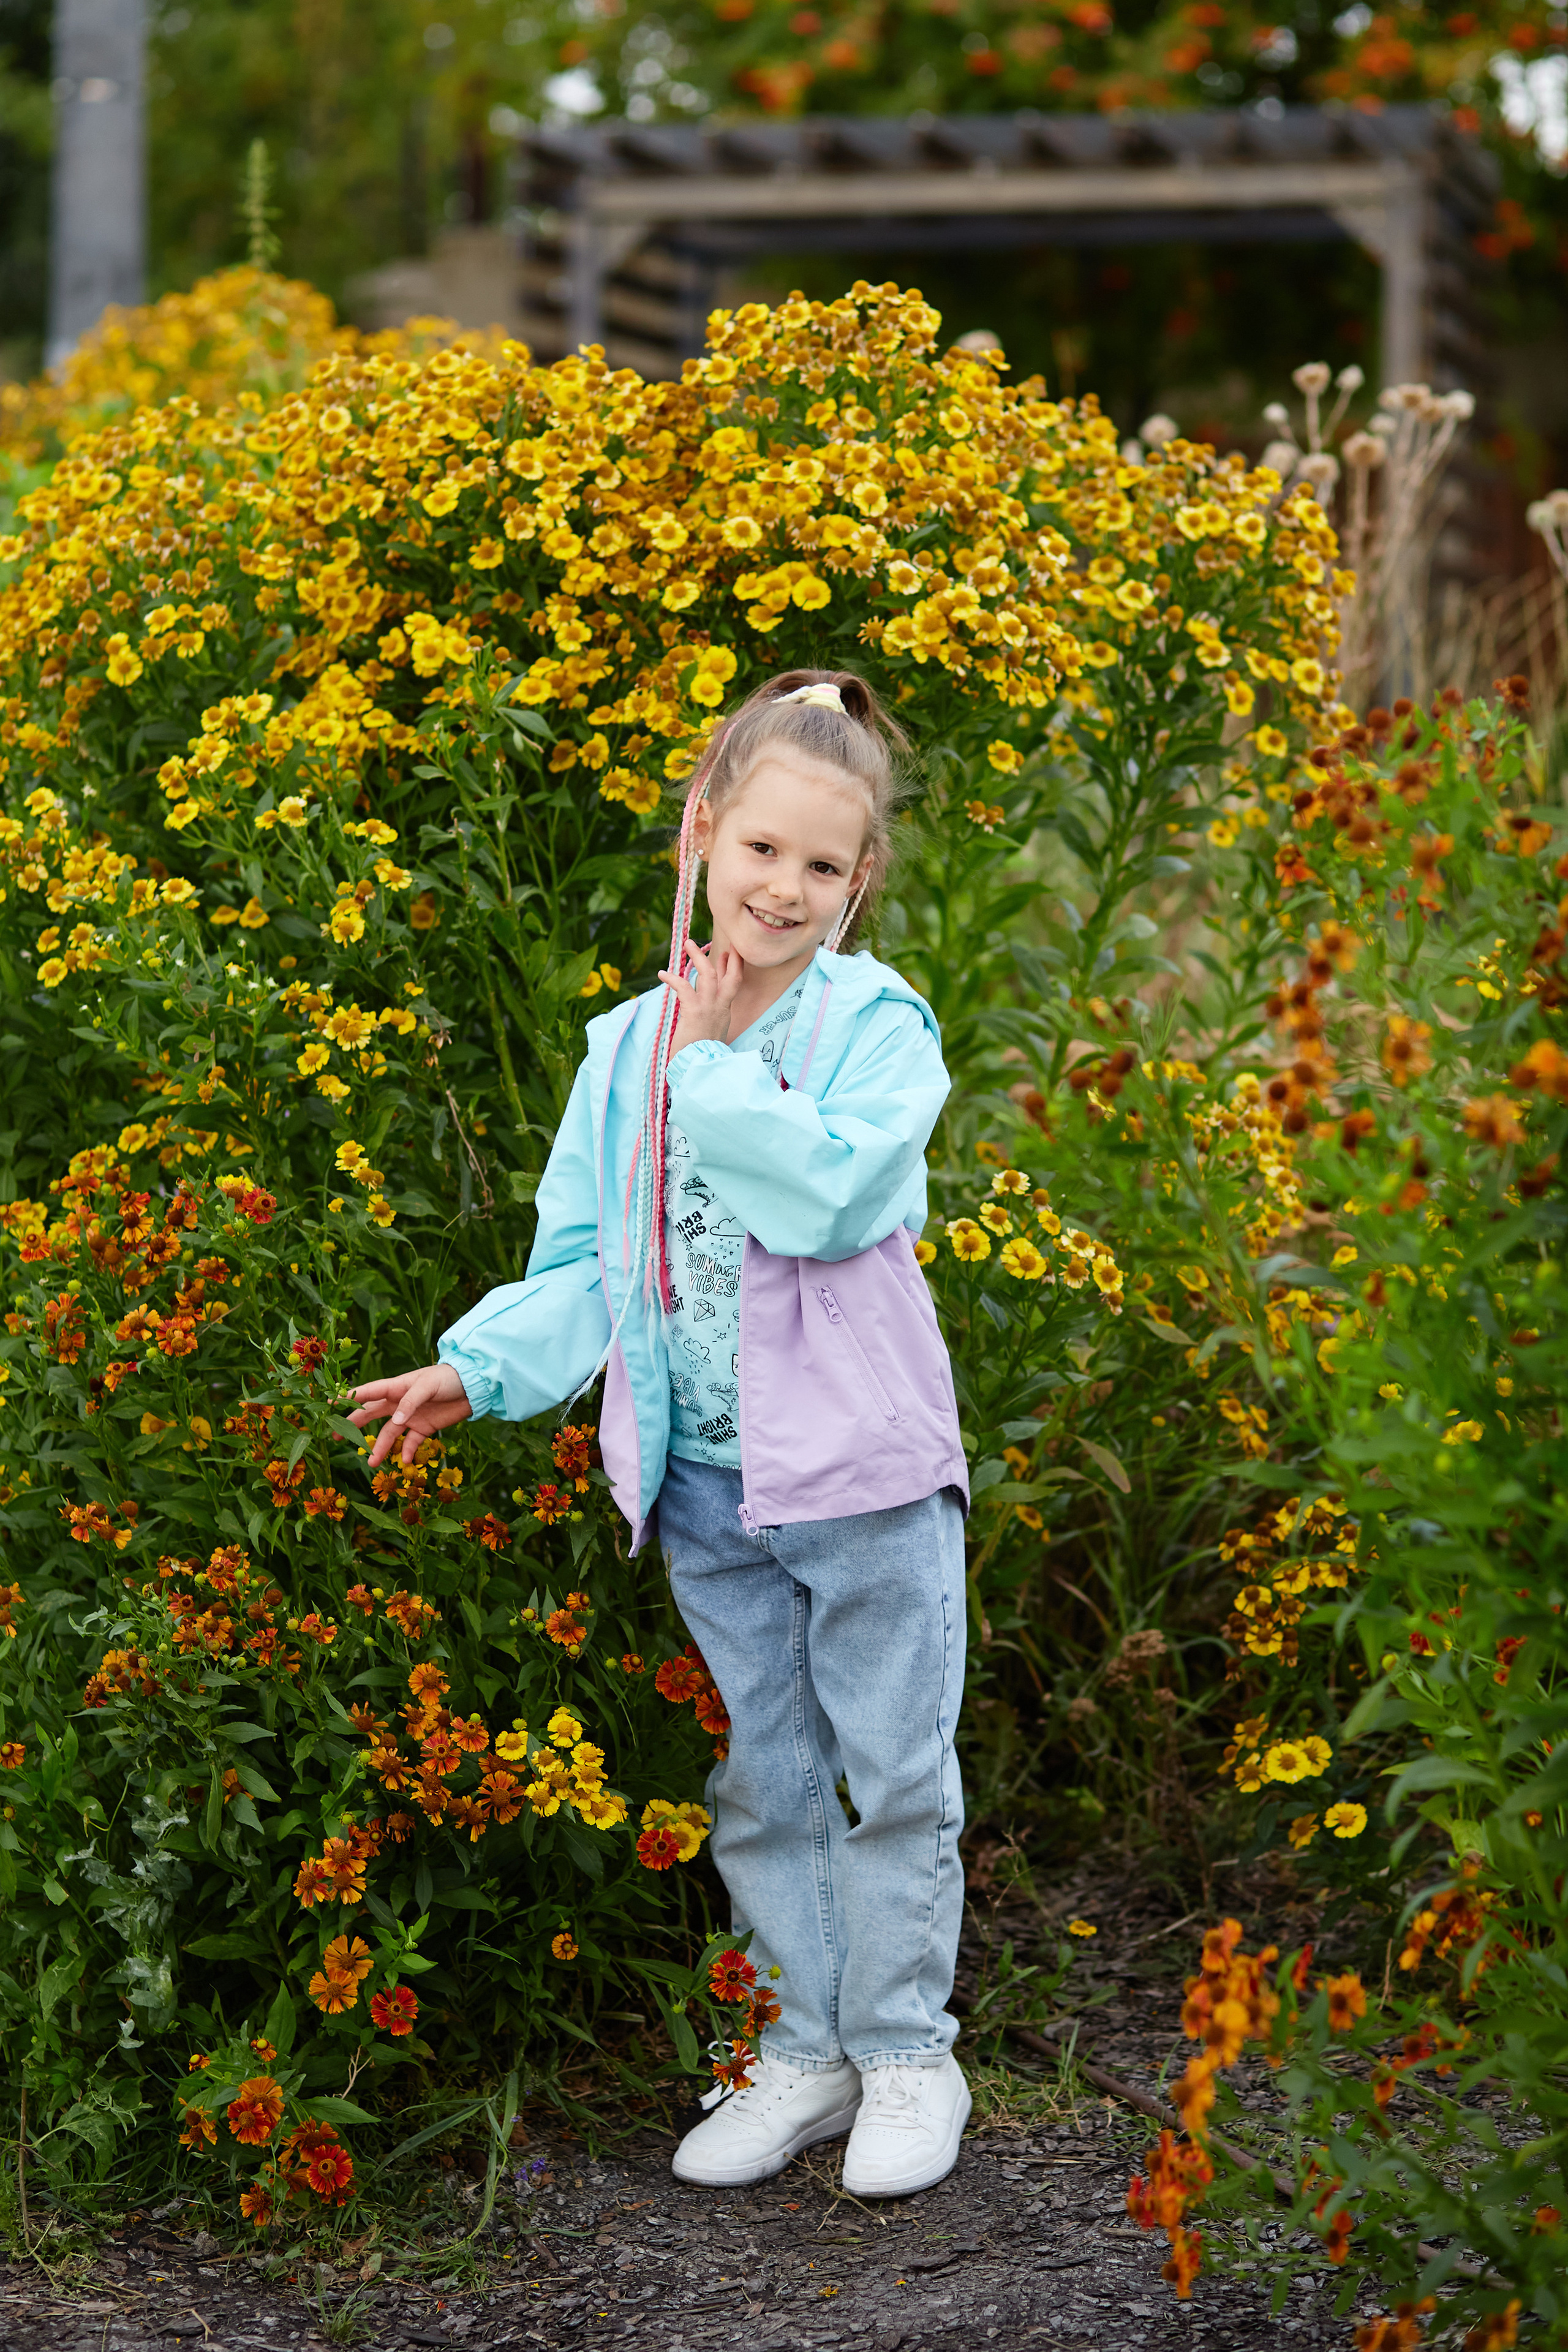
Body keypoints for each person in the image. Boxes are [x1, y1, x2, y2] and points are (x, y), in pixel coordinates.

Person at [347, 668, 971, 2198]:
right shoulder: (617, 1049)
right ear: (703, 833)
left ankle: (904, 2053)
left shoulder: (873, 1027)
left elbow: (834, 1197)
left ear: (861, 883)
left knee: (892, 1772)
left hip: (865, 1478)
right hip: (708, 1483)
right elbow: (589, 1265)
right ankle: (804, 2051)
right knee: (768, 1773)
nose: (784, 887)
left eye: (823, 866)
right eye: (761, 849)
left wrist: (707, 1065)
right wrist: (475, 1369)